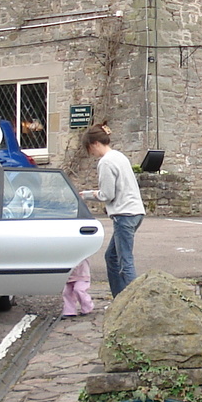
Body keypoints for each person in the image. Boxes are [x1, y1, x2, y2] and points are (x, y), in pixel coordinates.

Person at [78, 124, 145, 297]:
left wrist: (86, 195)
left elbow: (107, 195)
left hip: (124, 214)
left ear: (94, 144)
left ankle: (134, 301)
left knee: (125, 262)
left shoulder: (106, 162)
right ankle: (120, 298)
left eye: (90, 150)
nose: (92, 154)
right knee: (112, 257)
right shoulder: (119, 156)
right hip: (135, 212)